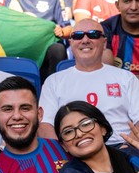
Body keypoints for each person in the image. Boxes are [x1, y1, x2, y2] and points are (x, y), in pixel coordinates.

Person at [38, 18, 139, 156]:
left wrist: (126, 150)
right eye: (78, 35)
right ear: (71, 42)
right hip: (74, 152)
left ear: (104, 43)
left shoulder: (127, 78)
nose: (85, 40)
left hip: (121, 149)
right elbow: (45, 126)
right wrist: (65, 154)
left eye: (93, 34)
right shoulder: (54, 81)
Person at [54, 100, 139, 173]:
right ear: (64, 146)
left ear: (103, 128)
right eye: (68, 132)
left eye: (85, 124)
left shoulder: (132, 157)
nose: (79, 134)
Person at [8, 0, 71, 84]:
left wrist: (61, 31)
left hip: (44, 47)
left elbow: (68, 29)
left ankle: (52, 89)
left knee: (57, 49)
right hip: (18, 46)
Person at [101, 0, 139, 76]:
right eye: (127, 1)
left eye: (138, 1)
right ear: (117, 5)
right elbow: (108, 74)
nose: (134, 7)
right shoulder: (106, 29)